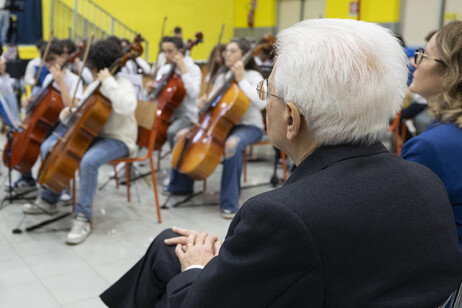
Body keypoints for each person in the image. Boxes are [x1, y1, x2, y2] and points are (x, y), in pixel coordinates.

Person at [100, 19, 462, 307]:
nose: (265, 102)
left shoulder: (280, 216)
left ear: (292, 118)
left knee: (172, 248)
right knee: (169, 243)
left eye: (267, 92)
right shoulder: (424, 181)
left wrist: (197, 265)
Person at [21, 38, 138, 245]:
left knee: (88, 161)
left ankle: (83, 217)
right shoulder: (93, 84)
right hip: (94, 135)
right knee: (51, 146)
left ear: (101, 68)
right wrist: (68, 113)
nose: (90, 71)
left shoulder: (122, 84)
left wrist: (108, 81)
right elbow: (81, 113)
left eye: (92, 67)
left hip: (119, 139)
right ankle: (50, 199)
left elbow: (126, 107)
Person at [165, 39, 265, 218]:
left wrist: (241, 79)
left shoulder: (254, 77)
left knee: (232, 144)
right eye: (226, 50)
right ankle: (180, 186)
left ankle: (229, 203)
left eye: (233, 51)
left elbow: (261, 103)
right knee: (182, 134)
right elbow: (213, 105)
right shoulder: (222, 76)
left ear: (244, 55)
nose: (227, 54)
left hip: (249, 126)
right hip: (223, 125)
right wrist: (205, 102)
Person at [401, 20, 462, 248]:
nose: (414, 63)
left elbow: (406, 230)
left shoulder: (432, 147)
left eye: (424, 55)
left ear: (448, 73)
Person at [9, 39, 83, 196]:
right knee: (23, 142)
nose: (48, 66)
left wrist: (61, 82)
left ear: (63, 57)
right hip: (48, 122)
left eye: (51, 61)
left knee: (47, 148)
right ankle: (28, 179)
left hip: (65, 125)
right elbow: (43, 103)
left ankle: (58, 188)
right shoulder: (48, 78)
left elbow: (71, 107)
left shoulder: (74, 80)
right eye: (46, 63)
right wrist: (29, 101)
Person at [145, 36, 201, 150]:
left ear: (180, 51)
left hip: (187, 116)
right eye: (164, 51)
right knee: (142, 125)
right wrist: (151, 89)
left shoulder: (193, 69)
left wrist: (183, 71)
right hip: (167, 115)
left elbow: (194, 93)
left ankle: (177, 164)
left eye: (169, 51)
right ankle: (133, 163)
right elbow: (159, 95)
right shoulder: (164, 69)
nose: (166, 55)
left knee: (172, 132)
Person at [0, 53, 18, 120]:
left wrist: (3, 72)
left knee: (10, 95)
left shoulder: (4, 58)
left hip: (8, 94)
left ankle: (15, 122)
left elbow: (9, 88)